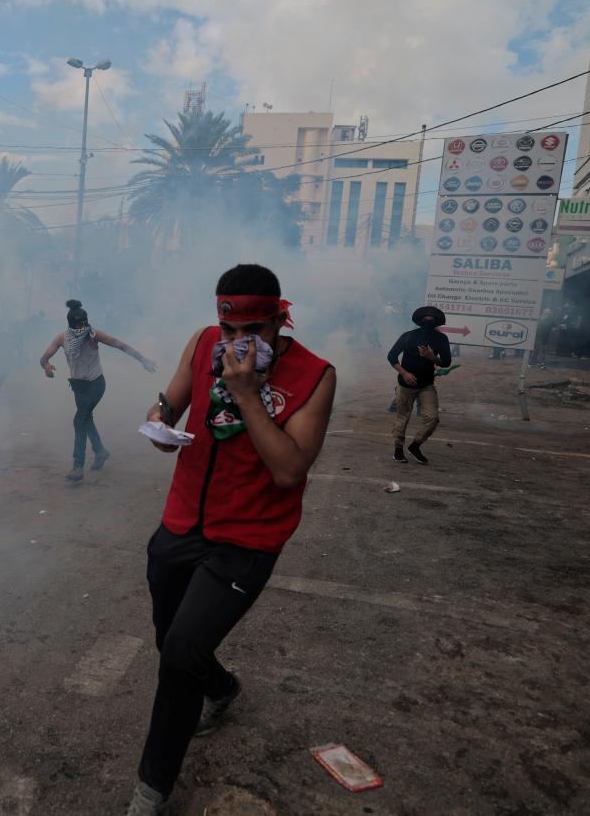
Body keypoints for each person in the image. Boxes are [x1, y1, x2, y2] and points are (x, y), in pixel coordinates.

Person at [125, 264, 335, 816]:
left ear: (278, 320)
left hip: (248, 538)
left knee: (181, 654)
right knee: (169, 636)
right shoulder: (201, 343)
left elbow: (290, 470)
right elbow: (171, 400)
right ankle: (220, 688)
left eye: (255, 334)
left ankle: (151, 789)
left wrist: (246, 394)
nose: (240, 345)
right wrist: (160, 420)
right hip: (180, 524)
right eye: (230, 333)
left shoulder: (315, 374)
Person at [39, 299, 156, 482]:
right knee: (86, 419)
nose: (83, 327)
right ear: (71, 325)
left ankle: (78, 466)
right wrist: (46, 367)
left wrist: (142, 359)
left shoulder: (94, 335)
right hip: (78, 386)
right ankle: (100, 451)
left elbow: (120, 345)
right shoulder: (62, 338)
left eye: (84, 323)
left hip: (95, 384)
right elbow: (44, 358)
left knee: (79, 420)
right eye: (78, 325)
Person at [386, 306, 452, 465]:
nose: (428, 321)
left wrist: (432, 357)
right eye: (425, 319)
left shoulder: (441, 339)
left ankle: (415, 446)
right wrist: (404, 373)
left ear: (437, 322)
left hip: (426, 385)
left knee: (433, 418)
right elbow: (392, 356)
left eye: (432, 319)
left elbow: (447, 362)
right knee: (403, 418)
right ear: (420, 321)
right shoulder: (408, 336)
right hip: (405, 385)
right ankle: (398, 449)